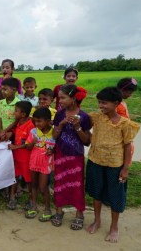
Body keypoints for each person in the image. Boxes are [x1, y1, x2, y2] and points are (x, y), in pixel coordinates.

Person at [85, 87, 140, 243]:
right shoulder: (96, 118)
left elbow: (128, 146)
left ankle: (114, 226)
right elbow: (81, 119)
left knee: (115, 195)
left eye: (104, 103)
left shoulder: (125, 124)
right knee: (97, 192)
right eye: (99, 102)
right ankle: (97, 220)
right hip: (95, 161)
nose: (100, 105)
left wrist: (125, 168)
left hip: (115, 165)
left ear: (116, 103)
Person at [51, 85, 90, 230]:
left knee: (77, 185)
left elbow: (87, 141)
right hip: (61, 153)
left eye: (63, 98)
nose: (59, 101)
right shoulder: (59, 115)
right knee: (59, 183)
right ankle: (59, 211)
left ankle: (79, 214)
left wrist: (77, 127)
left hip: (76, 156)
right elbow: (55, 136)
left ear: (73, 99)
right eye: (59, 97)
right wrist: (60, 124)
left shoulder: (84, 117)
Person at [24, 107, 56, 221]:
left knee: (43, 188)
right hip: (33, 162)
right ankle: (34, 206)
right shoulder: (33, 132)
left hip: (45, 164)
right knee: (33, 185)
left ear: (48, 121)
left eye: (39, 121)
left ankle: (48, 209)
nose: (36, 124)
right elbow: (28, 147)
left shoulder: (54, 133)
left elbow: (58, 149)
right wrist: (33, 142)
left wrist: (52, 151)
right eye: (35, 121)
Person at [6, 101, 35, 210]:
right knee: (14, 178)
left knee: (28, 180)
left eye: (16, 111)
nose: (14, 113)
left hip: (26, 158)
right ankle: (12, 197)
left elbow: (28, 145)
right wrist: (9, 133)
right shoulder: (18, 123)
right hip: (16, 157)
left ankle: (32, 199)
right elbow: (14, 131)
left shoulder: (31, 126)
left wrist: (14, 147)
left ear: (23, 114)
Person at [116, 78, 138, 163]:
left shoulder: (121, 102)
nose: (130, 95)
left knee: (128, 149)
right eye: (130, 93)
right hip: (119, 134)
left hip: (125, 132)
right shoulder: (115, 104)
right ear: (122, 90)